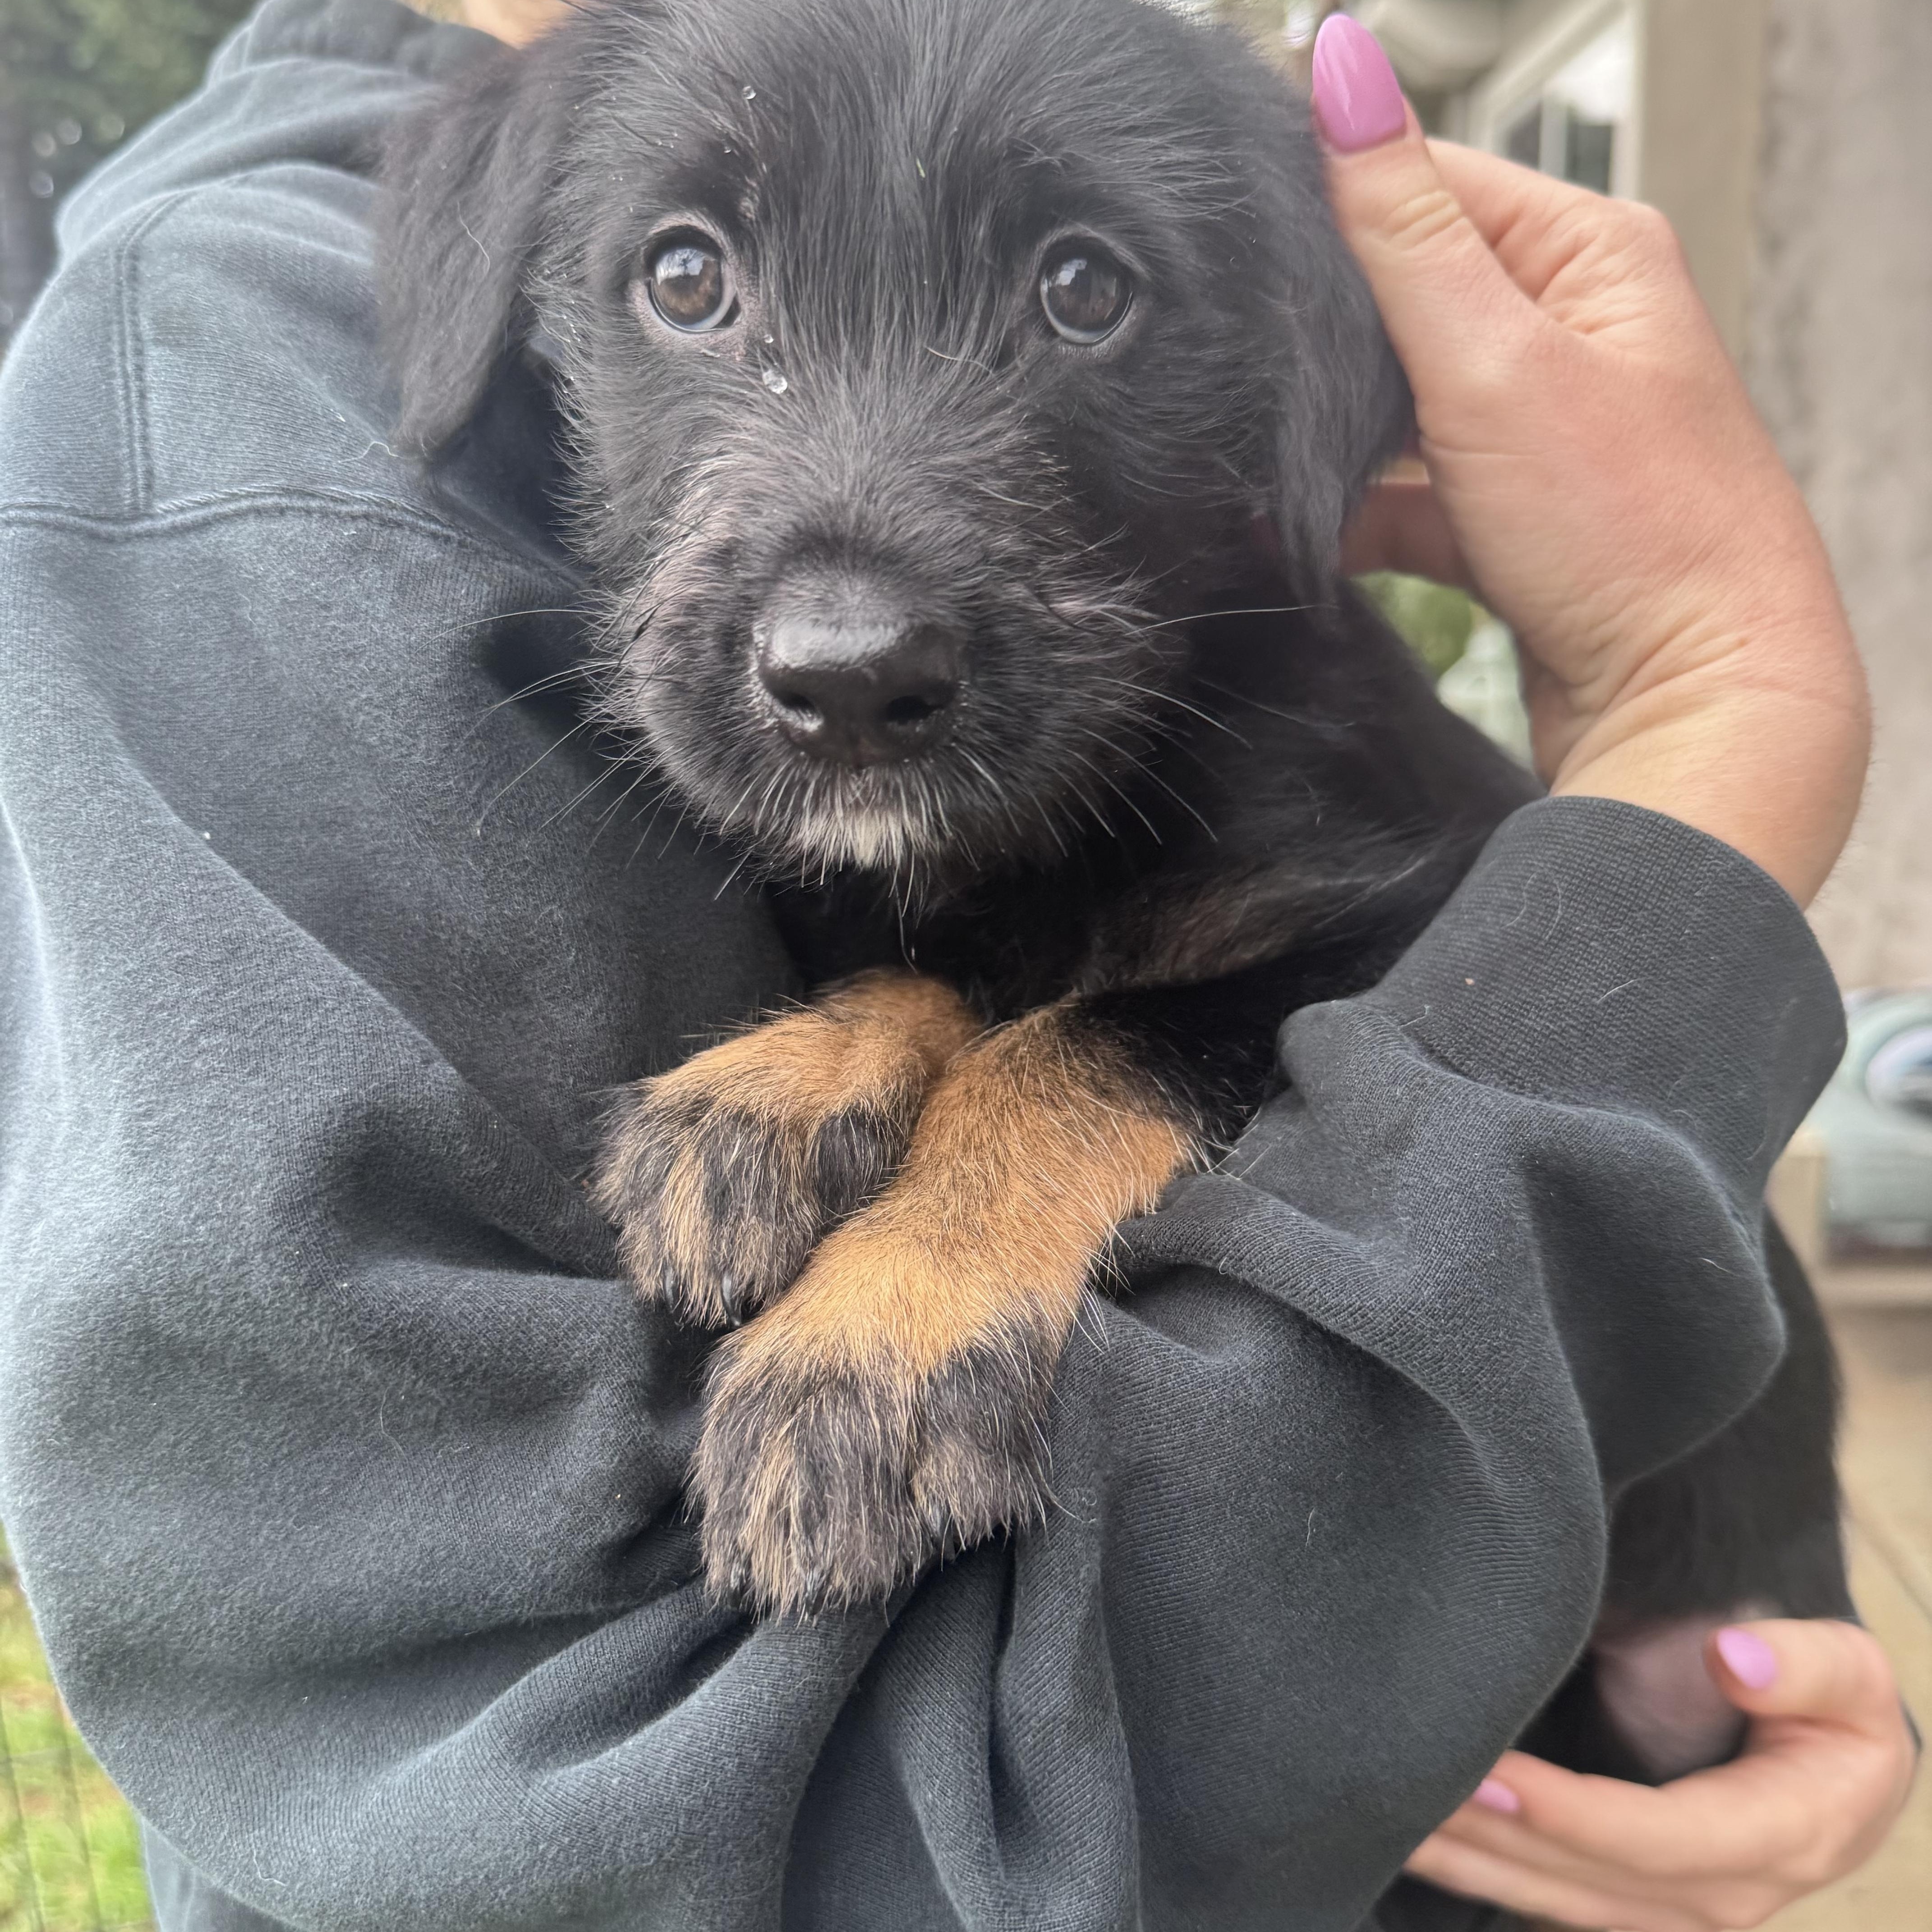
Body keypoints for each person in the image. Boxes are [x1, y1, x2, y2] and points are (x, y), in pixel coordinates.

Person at [0, 4, 1909, 1931]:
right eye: (690, 279)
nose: (844, 627)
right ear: (493, 297)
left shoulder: (1250, 711)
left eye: (1084, 289)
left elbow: (1396, 1007)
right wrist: (1715, 712)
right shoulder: (230, 390)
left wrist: (1748, 1623)